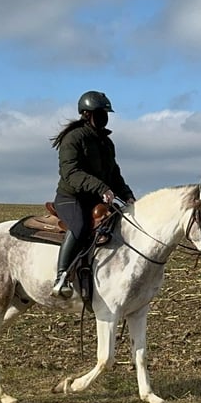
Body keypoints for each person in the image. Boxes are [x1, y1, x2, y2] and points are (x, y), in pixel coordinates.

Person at [49, 90, 136, 298]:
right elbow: (71, 173)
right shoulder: (73, 138)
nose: (104, 118)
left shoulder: (106, 142)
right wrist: (101, 188)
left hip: (98, 198)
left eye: (106, 113)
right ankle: (62, 276)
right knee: (79, 226)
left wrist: (128, 196)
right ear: (87, 114)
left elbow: (114, 174)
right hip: (72, 198)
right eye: (100, 113)